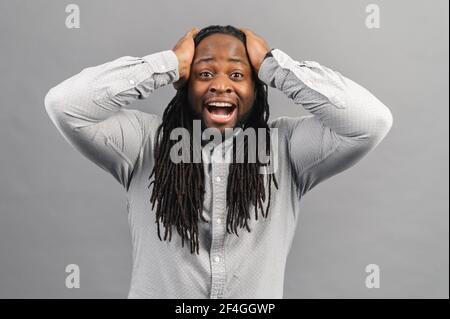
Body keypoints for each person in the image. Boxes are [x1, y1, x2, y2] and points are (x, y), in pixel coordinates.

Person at [44, 25, 393, 298]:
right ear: (185, 85)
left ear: (257, 90)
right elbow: (64, 104)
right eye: (205, 74)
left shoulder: (287, 148)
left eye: (238, 75)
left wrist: (275, 66)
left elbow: (371, 122)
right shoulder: (142, 142)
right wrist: (166, 65)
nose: (221, 86)